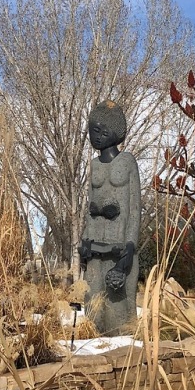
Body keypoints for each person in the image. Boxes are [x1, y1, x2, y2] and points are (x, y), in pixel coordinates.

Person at [79, 100, 141, 335]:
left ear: (116, 134)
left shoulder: (127, 162)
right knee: (93, 307)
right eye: (94, 130)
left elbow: (135, 208)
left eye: (103, 132)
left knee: (118, 313)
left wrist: (130, 247)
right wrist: (84, 241)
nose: (97, 137)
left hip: (119, 247)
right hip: (94, 245)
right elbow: (89, 206)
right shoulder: (94, 165)